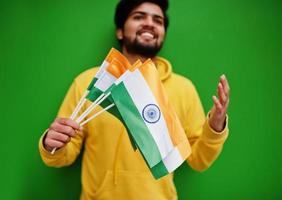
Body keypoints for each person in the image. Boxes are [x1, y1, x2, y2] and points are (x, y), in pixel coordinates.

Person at [39, 0, 230, 199]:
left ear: (163, 32)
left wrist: (215, 127)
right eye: (139, 17)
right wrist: (52, 144)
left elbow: (198, 160)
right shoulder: (88, 83)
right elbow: (61, 156)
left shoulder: (183, 89)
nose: (149, 23)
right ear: (120, 31)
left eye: (158, 20)